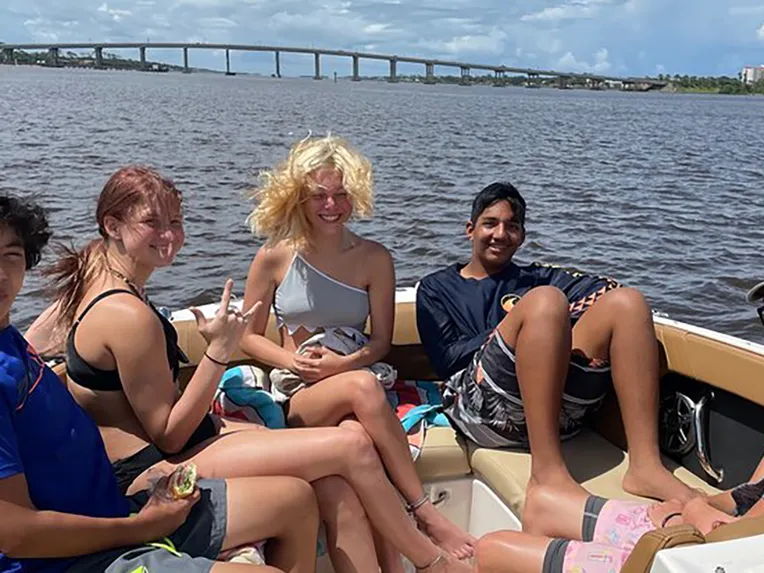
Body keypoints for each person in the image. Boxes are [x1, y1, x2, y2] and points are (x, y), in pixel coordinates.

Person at [26, 166, 470, 573]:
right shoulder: (127, 315)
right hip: (149, 466)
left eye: (176, 223)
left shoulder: (92, 268)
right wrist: (220, 350)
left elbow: (30, 345)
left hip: (174, 441)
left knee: (337, 481)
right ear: (112, 225)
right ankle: (431, 561)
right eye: (153, 223)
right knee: (351, 447)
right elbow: (168, 434)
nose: (170, 236)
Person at [473, 236, 764, 573]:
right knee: (546, 504)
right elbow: (752, 494)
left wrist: (692, 511)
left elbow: (745, 541)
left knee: (492, 550)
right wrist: (701, 505)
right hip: (734, 540)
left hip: (733, 558)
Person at [0, 193, 321, 573]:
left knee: (295, 500)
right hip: (69, 557)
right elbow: (15, 533)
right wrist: (140, 528)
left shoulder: (13, 340)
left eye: (11, 255)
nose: (2, 273)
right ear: (112, 226)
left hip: (115, 505)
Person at [238, 135, 473, 558]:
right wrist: (292, 359)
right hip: (300, 391)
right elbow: (249, 336)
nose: (332, 205)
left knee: (353, 465)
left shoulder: (375, 259)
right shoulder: (274, 256)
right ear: (298, 197)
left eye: (341, 194)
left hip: (352, 386)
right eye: (319, 196)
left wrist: (343, 364)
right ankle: (427, 515)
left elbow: (381, 341)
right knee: (362, 388)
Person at [416, 182, 685, 519]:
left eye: (512, 226)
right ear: (470, 230)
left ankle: (645, 465)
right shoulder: (436, 287)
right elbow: (446, 360)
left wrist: (556, 338)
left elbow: (607, 287)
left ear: (522, 237)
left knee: (627, 302)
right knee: (544, 302)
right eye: (490, 223)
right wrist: (517, 327)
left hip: (559, 410)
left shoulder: (537, 276)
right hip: (482, 409)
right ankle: (546, 475)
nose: (501, 234)